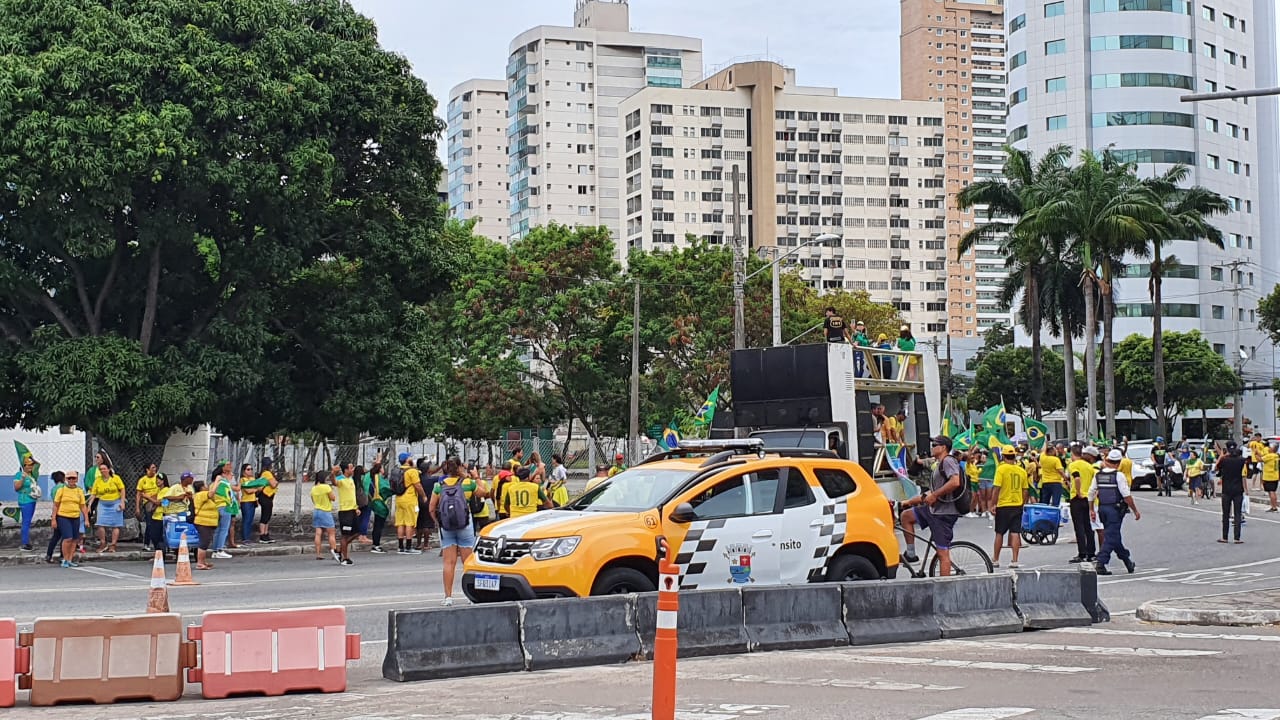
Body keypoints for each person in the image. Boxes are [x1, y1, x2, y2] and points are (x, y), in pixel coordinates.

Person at [900, 435, 963, 576]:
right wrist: (909, 502)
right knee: (906, 516)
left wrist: (935, 496)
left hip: (943, 514)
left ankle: (944, 588)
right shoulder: (938, 464)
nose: (932, 447)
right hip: (933, 510)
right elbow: (930, 492)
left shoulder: (948, 461)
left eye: (935, 445)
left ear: (943, 448)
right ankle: (910, 554)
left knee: (942, 554)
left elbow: (955, 482)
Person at [430, 459, 485, 606]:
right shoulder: (468, 483)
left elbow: (431, 508)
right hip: (465, 525)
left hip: (446, 527)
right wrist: (476, 477)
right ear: (460, 467)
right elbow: (484, 493)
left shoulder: (438, 486)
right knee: (468, 562)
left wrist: (439, 522)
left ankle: (448, 597)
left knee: (449, 563)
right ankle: (470, 596)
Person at [1089, 449, 1141, 575]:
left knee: (1113, 536)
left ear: (1107, 461)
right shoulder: (1118, 476)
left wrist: (1091, 509)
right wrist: (1135, 510)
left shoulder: (1098, 475)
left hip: (1102, 509)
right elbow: (1126, 495)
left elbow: (1091, 493)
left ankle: (1127, 561)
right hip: (1115, 510)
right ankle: (1101, 563)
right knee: (1110, 537)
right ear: (1118, 463)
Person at [992, 445, 1029, 569]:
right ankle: (1014, 560)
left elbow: (996, 488)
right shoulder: (1021, 470)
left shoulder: (1001, 469)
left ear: (1003, 456)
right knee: (1015, 532)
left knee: (999, 533)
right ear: (1014, 456)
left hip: (1003, 505)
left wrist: (993, 504)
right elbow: (1025, 490)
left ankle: (996, 559)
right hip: (1017, 504)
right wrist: (1021, 503)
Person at [1067, 445, 1099, 564]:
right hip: (1088, 498)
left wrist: (1078, 491)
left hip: (1077, 498)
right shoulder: (1089, 467)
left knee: (1079, 527)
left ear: (1073, 454)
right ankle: (1091, 553)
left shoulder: (1073, 465)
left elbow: (1077, 478)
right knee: (1088, 527)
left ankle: (1082, 553)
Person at [53, 469, 89, 568]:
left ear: (76, 479)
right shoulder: (61, 490)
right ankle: (64, 559)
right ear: (66, 479)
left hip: (75, 517)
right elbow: (56, 505)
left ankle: (70, 559)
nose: (71, 480)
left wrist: (86, 519)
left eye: (73, 478)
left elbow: (83, 506)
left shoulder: (79, 491)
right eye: (69, 478)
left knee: (74, 539)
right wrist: (54, 519)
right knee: (67, 538)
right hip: (63, 516)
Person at [1215, 442, 1248, 544]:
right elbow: (1244, 475)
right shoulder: (1242, 460)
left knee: (1226, 514)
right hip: (1238, 489)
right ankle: (1237, 538)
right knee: (1237, 513)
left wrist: (1221, 455)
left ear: (1227, 449)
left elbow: (1216, 468)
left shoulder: (1224, 460)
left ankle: (1225, 537)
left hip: (1227, 489)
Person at [89, 461, 125, 553]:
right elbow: (93, 494)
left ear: (109, 469)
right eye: (101, 469)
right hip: (103, 503)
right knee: (100, 523)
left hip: (115, 502)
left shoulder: (115, 478)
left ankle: (113, 545)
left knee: (115, 525)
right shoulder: (98, 480)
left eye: (104, 469)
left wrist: (122, 502)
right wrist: (89, 505)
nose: (102, 471)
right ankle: (103, 543)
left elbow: (122, 489)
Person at [394, 452, 425, 555]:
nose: (412, 458)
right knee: (410, 523)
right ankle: (408, 546)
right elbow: (418, 485)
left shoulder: (397, 470)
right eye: (410, 457)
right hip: (409, 499)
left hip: (399, 499)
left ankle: (400, 547)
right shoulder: (412, 471)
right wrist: (424, 496)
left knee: (400, 523)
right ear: (407, 460)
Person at [190, 480, 223, 570]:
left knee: (206, 541)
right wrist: (216, 482)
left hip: (208, 522)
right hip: (203, 522)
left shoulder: (203, 495)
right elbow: (211, 493)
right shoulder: (201, 494)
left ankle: (203, 561)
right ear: (201, 487)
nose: (207, 486)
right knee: (203, 542)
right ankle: (200, 563)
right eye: (205, 485)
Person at [209, 464, 238, 559]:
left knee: (217, 530)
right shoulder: (223, 483)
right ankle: (220, 549)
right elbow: (229, 495)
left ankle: (215, 550)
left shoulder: (212, 485)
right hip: (225, 506)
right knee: (224, 529)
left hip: (217, 507)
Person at [13, 449, 39, 551]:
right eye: (28, 465)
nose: (30, 467)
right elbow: (16, 487)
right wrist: (23, 478)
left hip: (32, 499)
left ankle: (26, 542)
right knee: (26, 522)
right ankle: (24, 543)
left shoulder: (32, 475)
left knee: (28, 521)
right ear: (24, 466)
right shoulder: (19, 475)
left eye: (31, 465)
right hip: (25, 500)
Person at [310, 470, 338, 561]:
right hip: (325, 511)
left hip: (316, 511)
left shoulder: (314, 488)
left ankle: (318, 553)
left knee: (318, 533)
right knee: (331, 533)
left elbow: (313, 500)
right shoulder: (326, 487)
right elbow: (333, 498)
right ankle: (334, 551)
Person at [136, 463, 163, 552]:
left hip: (157, 501)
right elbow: (139, 494)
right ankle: (147, 543)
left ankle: (160, 543)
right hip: (148, 503)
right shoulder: (142, 480)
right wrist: (137, 508)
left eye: (155, 467)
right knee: (149, 523)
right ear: (147, 470)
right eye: (152, 468)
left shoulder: (158, 478)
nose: (154, 469)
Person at [334, 463, 358, 565]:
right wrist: (333, 473)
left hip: (353, 510)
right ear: (345, 470)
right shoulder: (340, 479)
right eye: (351, 468)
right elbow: (334, 481)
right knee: (345, 535)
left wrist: (356, 507)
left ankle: (339, 549)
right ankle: (345, 558)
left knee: (357, 532)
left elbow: (352, 496)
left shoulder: (351, 480)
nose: (353, 470)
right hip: (345, 511)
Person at [43, 471, 66, 563]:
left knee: (56, 536)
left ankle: (49, 554)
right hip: (64, 513)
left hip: (56, 513)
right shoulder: (64, 488)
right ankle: (63, 555)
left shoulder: (53, 489)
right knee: (65, 536)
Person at [255, 457, 279, 544]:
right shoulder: (267, 473)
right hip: (266, 496)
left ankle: (266, 533)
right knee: (265, 516)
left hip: (267, 497)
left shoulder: (264, 473)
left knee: (267, 516)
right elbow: (273, 484)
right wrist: (275, 482)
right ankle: (262, 535)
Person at [367, 462, 389, 551]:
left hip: (374, 502)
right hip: (380, 503)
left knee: (377, 524)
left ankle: (375, 543)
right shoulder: (379, 479)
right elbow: (386, 488)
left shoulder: (371, 477)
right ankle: (376, 544)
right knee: (379, 525)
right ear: (380, 469)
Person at [1038, 444, 1066, 509]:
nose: (1056, 451)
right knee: (1055, 503)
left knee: (1045, 503)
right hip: (1056, 483)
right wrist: (1066, 478)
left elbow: (1043, 451)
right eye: (1055, 450)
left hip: (1045, 482)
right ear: (1051, 451)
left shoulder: (1042, 457)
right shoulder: (1056, 460)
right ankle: (1054, 516)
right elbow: (1061, 471)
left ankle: (1043, 516)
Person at [238, 461, 259, 544]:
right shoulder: (243, 480)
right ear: (244, 471)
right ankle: (245, 538)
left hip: (253, 500)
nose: (250, 471)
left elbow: (258, 488)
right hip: (246, 501)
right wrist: (256, 489)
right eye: (248, 469)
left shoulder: (253, 479)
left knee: (250, 520)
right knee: (246, 520)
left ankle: (248, 537)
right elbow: (248, 491)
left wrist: (256, 489)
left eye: (251, 469)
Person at [1261, 442, 1279, 513]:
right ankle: (1273, 506)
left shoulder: (1270, 456)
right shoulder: (1276, 456)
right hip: (1275, 476)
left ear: (1273, 449)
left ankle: (1274, 507)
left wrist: (1255, 453)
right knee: (1273, 492)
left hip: (1269, 476)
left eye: (1270, 447)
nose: (1269, 448)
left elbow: (1260, 459)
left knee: (1271, 492)